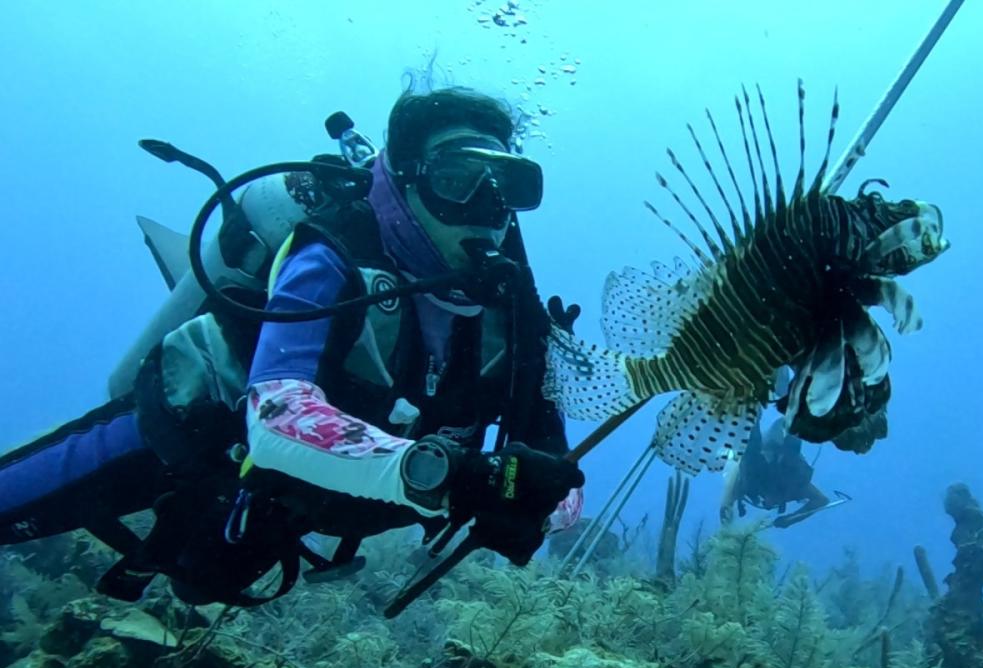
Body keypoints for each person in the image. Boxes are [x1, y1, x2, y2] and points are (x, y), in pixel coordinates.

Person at [0, 86, 584, 608]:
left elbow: (563, 486)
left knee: (201, 576)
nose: (486, 207)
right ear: (406, 179)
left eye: (508, 185)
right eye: (456, 178)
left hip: (279, 505)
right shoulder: (330, 255)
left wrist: (533, 503)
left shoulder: (515, 320)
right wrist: (450, 478)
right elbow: (277, 416)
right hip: (187, 434)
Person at [719, 418, 830, 529]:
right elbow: (821, 500)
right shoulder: (795, 486)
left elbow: (726, 504)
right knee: (753, 454)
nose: (769, 502)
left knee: (751, 452)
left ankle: (754, 416)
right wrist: (791, 519)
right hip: (771, 463)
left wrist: (791, 519)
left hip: (764, 465)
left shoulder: (751, 484)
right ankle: (794, 418)